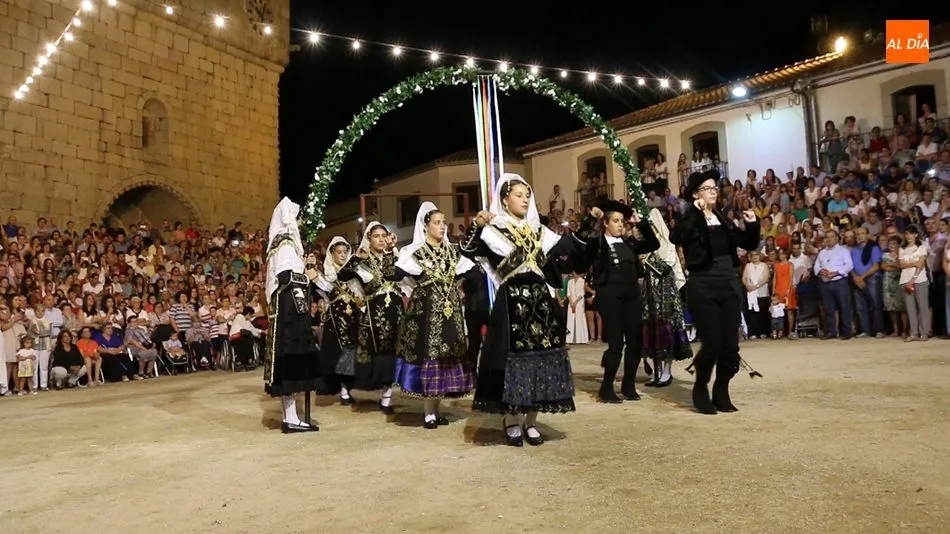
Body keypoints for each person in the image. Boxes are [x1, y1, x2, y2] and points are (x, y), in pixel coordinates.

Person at [463, 174, 586, 446]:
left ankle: (531, 421)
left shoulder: (538, 231)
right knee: (512, 358)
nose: (525, 199)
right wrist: (477, 224)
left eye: (527, 195)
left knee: (541, 359)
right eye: (519, 195)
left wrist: (587, 224)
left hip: (540, 302)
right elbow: (468, 250)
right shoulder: (493, 230)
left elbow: (566, 247)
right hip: (511, 301)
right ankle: (511, 419)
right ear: (505, 200)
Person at [671, 169, 760, 415]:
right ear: (695, 194)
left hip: (728, 284)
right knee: (712, 344)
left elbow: (748, 243)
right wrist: (694, 213)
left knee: (730, 347)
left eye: (714, 188)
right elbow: (675, 236)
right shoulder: (690, 218)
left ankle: (721, 390)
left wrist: (752, 224)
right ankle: (700, 387)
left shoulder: (722, 219)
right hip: (703, 285)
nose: (713, 192)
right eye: (707, 189)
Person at [393, 202, 476, 428]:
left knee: (445, 358)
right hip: (426, 313)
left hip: (450, 312)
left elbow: (472, 271)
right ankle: (428, 412)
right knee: (430, 357)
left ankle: (436, 410)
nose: (442, 227)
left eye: (444, 223)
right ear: (425, 226)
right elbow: (398, 273)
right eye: (437, 223)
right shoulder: (416, 253)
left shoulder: (453, 252)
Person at [582, 200, 659, 403]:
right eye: (615, 221)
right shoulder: (598, 244)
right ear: (606, 223)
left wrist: (640, 223)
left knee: (635, 342)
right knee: (616, 343)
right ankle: (607, 387)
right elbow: (581, 246)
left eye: (622, 221)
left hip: (631, 294)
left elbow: (653, 244)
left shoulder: (629, 242)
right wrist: (591, 219)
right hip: (610, 295)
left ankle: (628, 385)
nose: (619, 225)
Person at [263, 198, 320, 434]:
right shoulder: (285, 243)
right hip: (290, 310)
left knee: (292, 361)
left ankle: (292, 416)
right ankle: (291, 418)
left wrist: (305, 264)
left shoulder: (283, 245)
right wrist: (307, 275)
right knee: (291, 359)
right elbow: (286, 277)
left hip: (290, 308)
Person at [336, 222, 404, 414]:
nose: (381, 239)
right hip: (373, 315)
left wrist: (392, 252)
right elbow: (342, 276)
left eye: (384, 235)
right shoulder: (363, 260)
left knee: (393, 352)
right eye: (376, 236)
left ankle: (387, 395)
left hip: (395, 311)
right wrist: (356, 258)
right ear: (369, 239)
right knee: (369, 356)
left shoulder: (395, 257)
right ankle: (347, 386)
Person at [641, 208, 693, 387]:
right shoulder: (646, 245)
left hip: (666, 294)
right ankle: (657, 370)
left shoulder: (667, 244)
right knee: (652, 332)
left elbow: (668, 270)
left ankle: (666, 371)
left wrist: (647, 261)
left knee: (666, 333)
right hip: (650, 294)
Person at [314, 236, 363, 405]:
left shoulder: (352, 273)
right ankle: (341, 389)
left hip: (352, 318)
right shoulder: (327, 274)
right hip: (335, 319)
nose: (342, 255)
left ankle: (346, 389)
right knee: (339, 354)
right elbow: (323, 290)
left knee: (351, 353)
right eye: (339, 252)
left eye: (345, 252)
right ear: (332, 254)